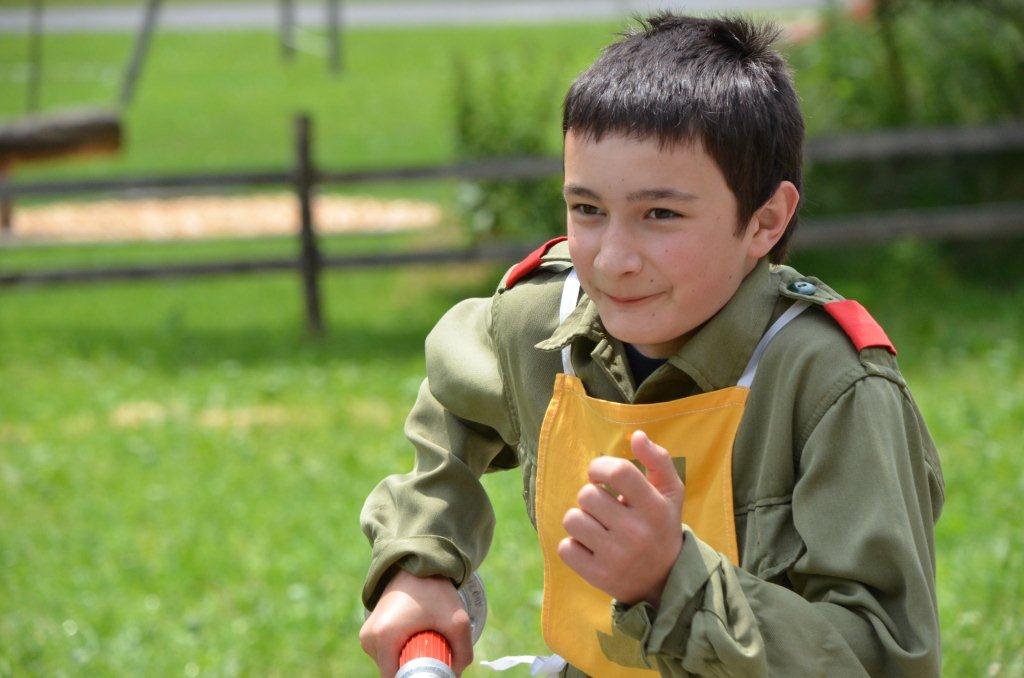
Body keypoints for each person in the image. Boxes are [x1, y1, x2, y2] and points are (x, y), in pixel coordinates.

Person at [359, 12, 944, 677]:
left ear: (765, 220)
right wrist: (419, 564)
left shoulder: (833, 387)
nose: (612, 259)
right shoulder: (538, 321)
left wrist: (675, 583)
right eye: (587, 209)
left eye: (660, 214)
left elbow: (885, 658)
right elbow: (451, 410)